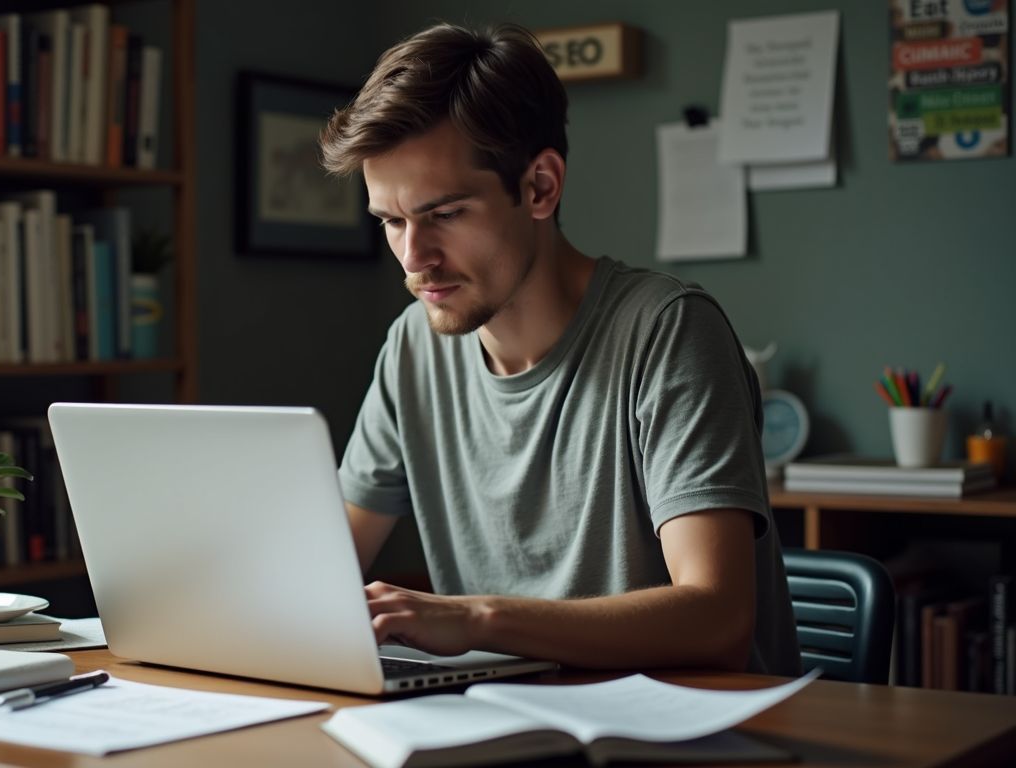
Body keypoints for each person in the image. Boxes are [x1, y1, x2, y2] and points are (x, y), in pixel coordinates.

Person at [319, 22, 800, 675]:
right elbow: (321, 574)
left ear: (541, 186)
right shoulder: (413, 345)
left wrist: (476, 619)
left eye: (445, 214)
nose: (415, 258)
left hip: (686, 733)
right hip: (504, 720)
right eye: (392, 221)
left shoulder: (668, 332)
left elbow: (715, 618)